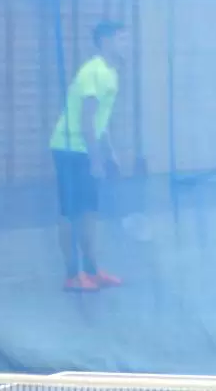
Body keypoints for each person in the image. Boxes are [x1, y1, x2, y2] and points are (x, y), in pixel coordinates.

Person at [49, 21, 126, 292]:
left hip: (85, 148)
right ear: (105, 41)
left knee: (89, 212)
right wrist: (95, 160)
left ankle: (92, 271)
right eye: (121, 39)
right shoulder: (93, 72)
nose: (126, 44)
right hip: (69, 149)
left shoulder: (111, 72)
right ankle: (72, 275)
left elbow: (101, 120)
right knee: (71, 212)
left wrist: (110, 152)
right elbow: (86, 119)